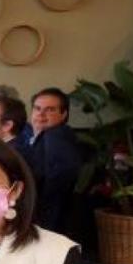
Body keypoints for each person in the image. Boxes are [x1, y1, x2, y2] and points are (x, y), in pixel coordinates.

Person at [19, 87, 83, 235]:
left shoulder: (57, 137)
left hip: (47, 220)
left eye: (50, 110)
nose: (41, 115)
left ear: (63, 115)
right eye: (37, 108)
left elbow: (57, 185)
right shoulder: (29, 133)